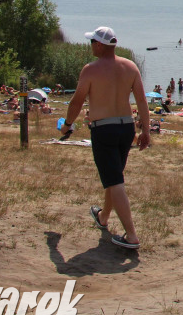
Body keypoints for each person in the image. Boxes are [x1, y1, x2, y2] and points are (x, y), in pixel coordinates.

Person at [62, 26, 150, 250]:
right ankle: (103, 217)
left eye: (92, 41)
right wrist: (146, 131)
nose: (90, 45)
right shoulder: (130, 66)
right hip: (126, 127)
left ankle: (131, 236)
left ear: (100, 45)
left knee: (114, 181)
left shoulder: (90, 70)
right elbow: (141, 101)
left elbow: (77, 101)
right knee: (115, 175)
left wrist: (67, 125)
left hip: (104, 129)